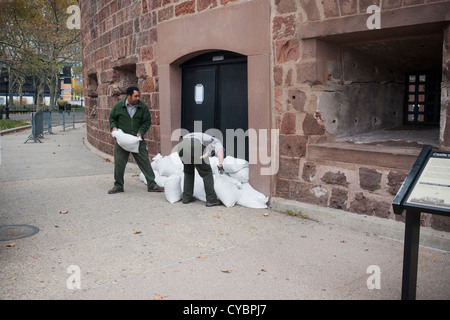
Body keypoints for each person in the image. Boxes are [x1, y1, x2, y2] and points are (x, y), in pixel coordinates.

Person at [108, 86, 164, 194]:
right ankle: (118, 186)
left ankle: (152, 185)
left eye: (139, 96)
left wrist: (141, 132)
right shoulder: (118, 106)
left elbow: (147, 122)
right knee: (119, 163)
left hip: (137, 140)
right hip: (123, 140)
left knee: (145, 162)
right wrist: (114, 127)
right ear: (128, 96)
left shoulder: (142, 107)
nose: (138, 98)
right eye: (135, 96)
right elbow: (112, 118)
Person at [178, 132, 224, 207]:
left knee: (188, 172)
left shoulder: (203, 137)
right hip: (195, 146)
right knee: (207, 172)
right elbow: (220, 152)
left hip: (181, 146)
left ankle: (186, 197)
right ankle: (211, 200)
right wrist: (221, 165)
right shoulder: (217, 142)